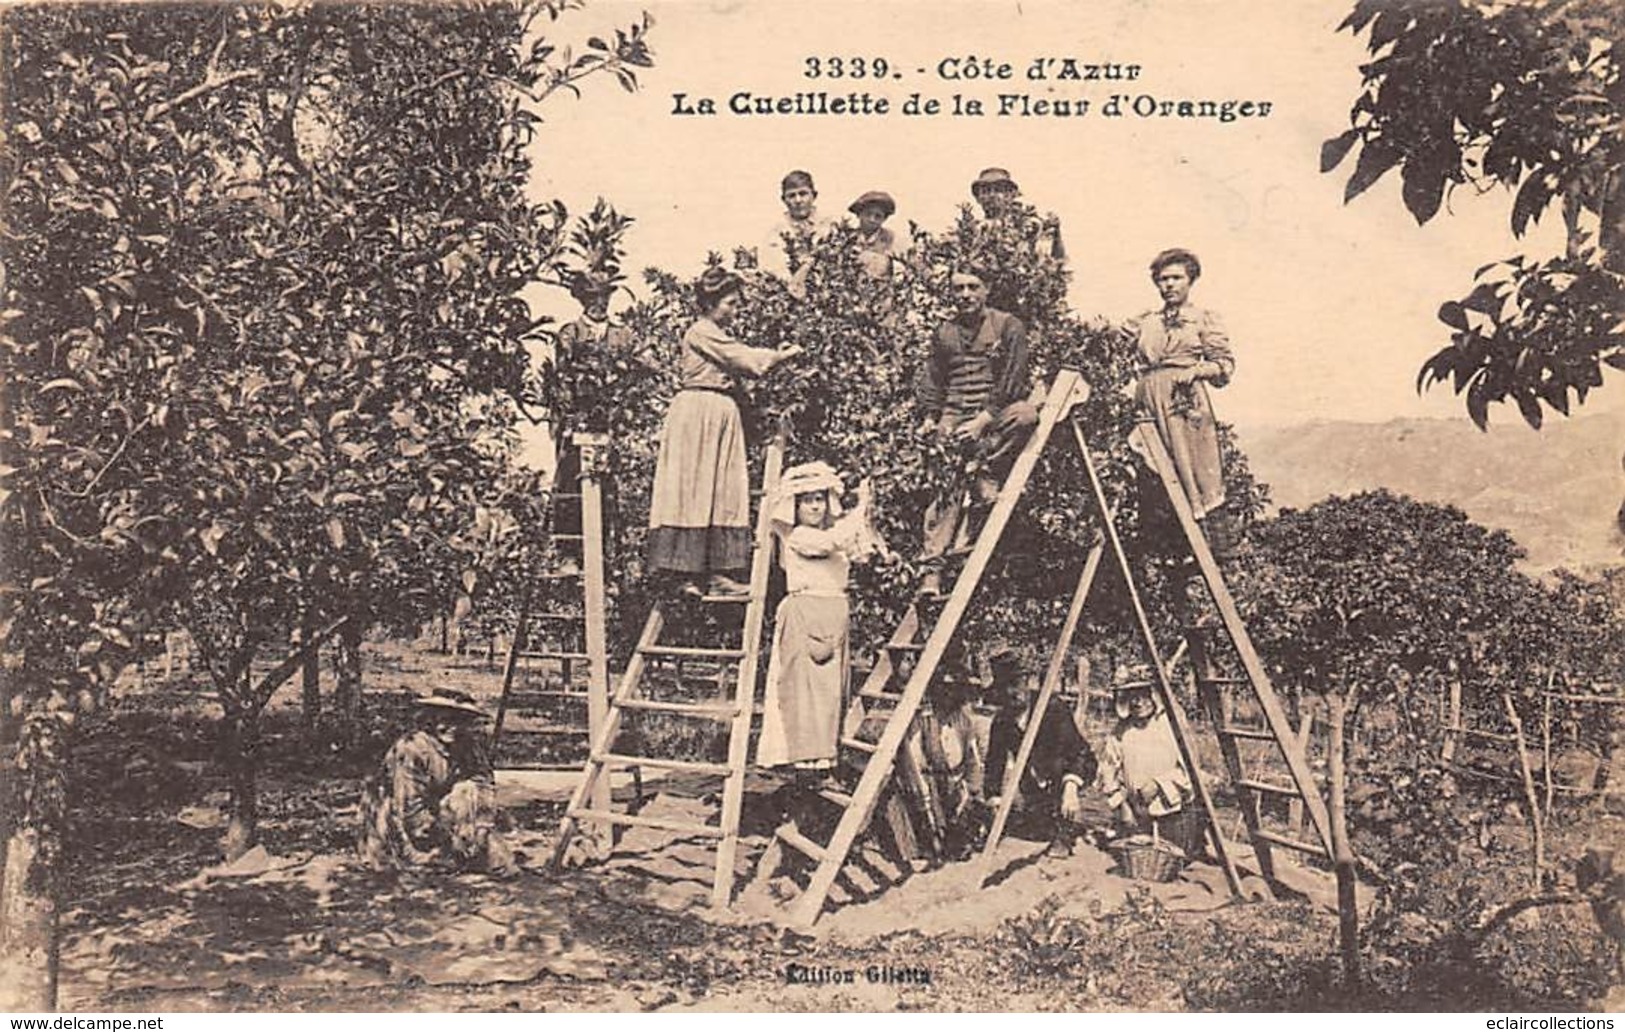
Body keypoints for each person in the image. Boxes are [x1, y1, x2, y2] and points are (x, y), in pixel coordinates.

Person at [648, 267, 802, 599]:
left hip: (720, 412)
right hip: (699, 412)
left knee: (722, 489)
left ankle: (719, 573)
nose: (734, 310)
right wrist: (781, 355)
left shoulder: (715, 332)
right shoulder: (702, 331)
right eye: (729, 304)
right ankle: (683, 573)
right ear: (711, 302)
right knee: (692, 489)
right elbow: (746, 360)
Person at [914, 266, 1039, 597]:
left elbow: (1014, 378)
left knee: (1025, 415)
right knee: (945, 485)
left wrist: (984, 418)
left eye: (973, 287)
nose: (966, 294)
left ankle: (985, 471)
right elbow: (934, 380)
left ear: (987, 289)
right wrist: (931, 418)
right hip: (954, 416)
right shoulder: (944, 333)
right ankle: (932, 572)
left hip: (993, 415)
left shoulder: (1008, 325)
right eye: (958, 288)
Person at [757, 462, 886, 777]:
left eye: (820, 498)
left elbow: (857, 550)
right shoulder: (796, 535)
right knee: (803, 690)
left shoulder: (830, 534)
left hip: (833, 615)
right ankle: (800, 758)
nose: (815, 506)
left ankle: (823, 758)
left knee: (829, 693)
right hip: (806, 613)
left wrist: (872, 532)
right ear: (794, 506)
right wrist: (861, 507)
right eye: (807, 500)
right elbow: (831, 542)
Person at [1131, 248, 1238, 558]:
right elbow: (1110, 341)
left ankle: (1206, 546)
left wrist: (1193, 372)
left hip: (1185, 403)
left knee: (1195, 471)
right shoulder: (1146, 321)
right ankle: (1168, 551)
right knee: (1155, 470)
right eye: (1163, 279)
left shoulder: (1204, 319)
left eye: (1176, 278)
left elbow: (1223, 366)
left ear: (1190, 280)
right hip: (1149, 400)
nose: (1169, 285)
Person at [357, 689, 512, 874]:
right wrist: (449, 839)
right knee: (424, 863)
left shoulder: (468, 745)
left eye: (460, 720)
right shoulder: (412, 748)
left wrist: (482, 828)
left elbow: (484, 783)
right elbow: (410, 809)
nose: (452, 727)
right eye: (445, 719)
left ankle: (464, 850)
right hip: (400, 818)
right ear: (430, 719)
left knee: (468, 789)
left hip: (438, 814)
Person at [982, 648, 1099, 858]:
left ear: (1026, 682)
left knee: (1063, 812)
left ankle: (1064, 830)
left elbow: (1078, 752)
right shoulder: (1002, 720)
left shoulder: (1053, 709)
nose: (1011, 692)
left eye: (1015, 684)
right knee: (1034, 824)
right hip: (1033, 776)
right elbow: (994, 763)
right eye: (1005, 687)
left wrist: (1071, 787)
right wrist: (994, 798)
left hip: (1068, 770)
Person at [1099, 673, 1201, 857]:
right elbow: (1107, 771)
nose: (1138, 702)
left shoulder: (1171, 725)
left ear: (1154, 695)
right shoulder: (1121, 731)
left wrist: (1158, 784)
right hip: (1135, 812)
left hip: (1171, 810)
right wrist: (1121, 806)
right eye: (1131, 697)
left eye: (1143, 695)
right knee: (1136, 856)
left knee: (1171, 856)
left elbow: (1190, 769)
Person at [970, 167, 1066, 262]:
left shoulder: (1028, 226)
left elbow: (1055, 261)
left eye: (998, 190)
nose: (991, 195)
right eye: (985, 191)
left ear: (1010, 195)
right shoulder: (971, 231)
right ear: (978, 198)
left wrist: (1056, 234)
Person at [762, 169, 836, 286]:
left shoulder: (830, 226)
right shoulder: (777, 232)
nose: (798, 200)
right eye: (791, 196)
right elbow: (776, 269)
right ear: (784, 200)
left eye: (803, 194)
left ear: (814, 195)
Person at [847, 190, 899, 278]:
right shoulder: (847, 237)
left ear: (884, 219)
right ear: (859, 215)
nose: (872, 220)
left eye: (877, 216)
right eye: (868, 214)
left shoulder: (891, 240)